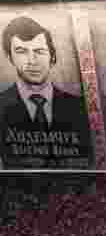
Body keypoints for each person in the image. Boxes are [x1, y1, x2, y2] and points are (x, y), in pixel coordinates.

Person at [0, 16, 92, 166]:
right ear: (10, 57)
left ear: (52, 56)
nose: (32, 61)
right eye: (22, 51)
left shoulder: (81, 107)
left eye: (39, 51)